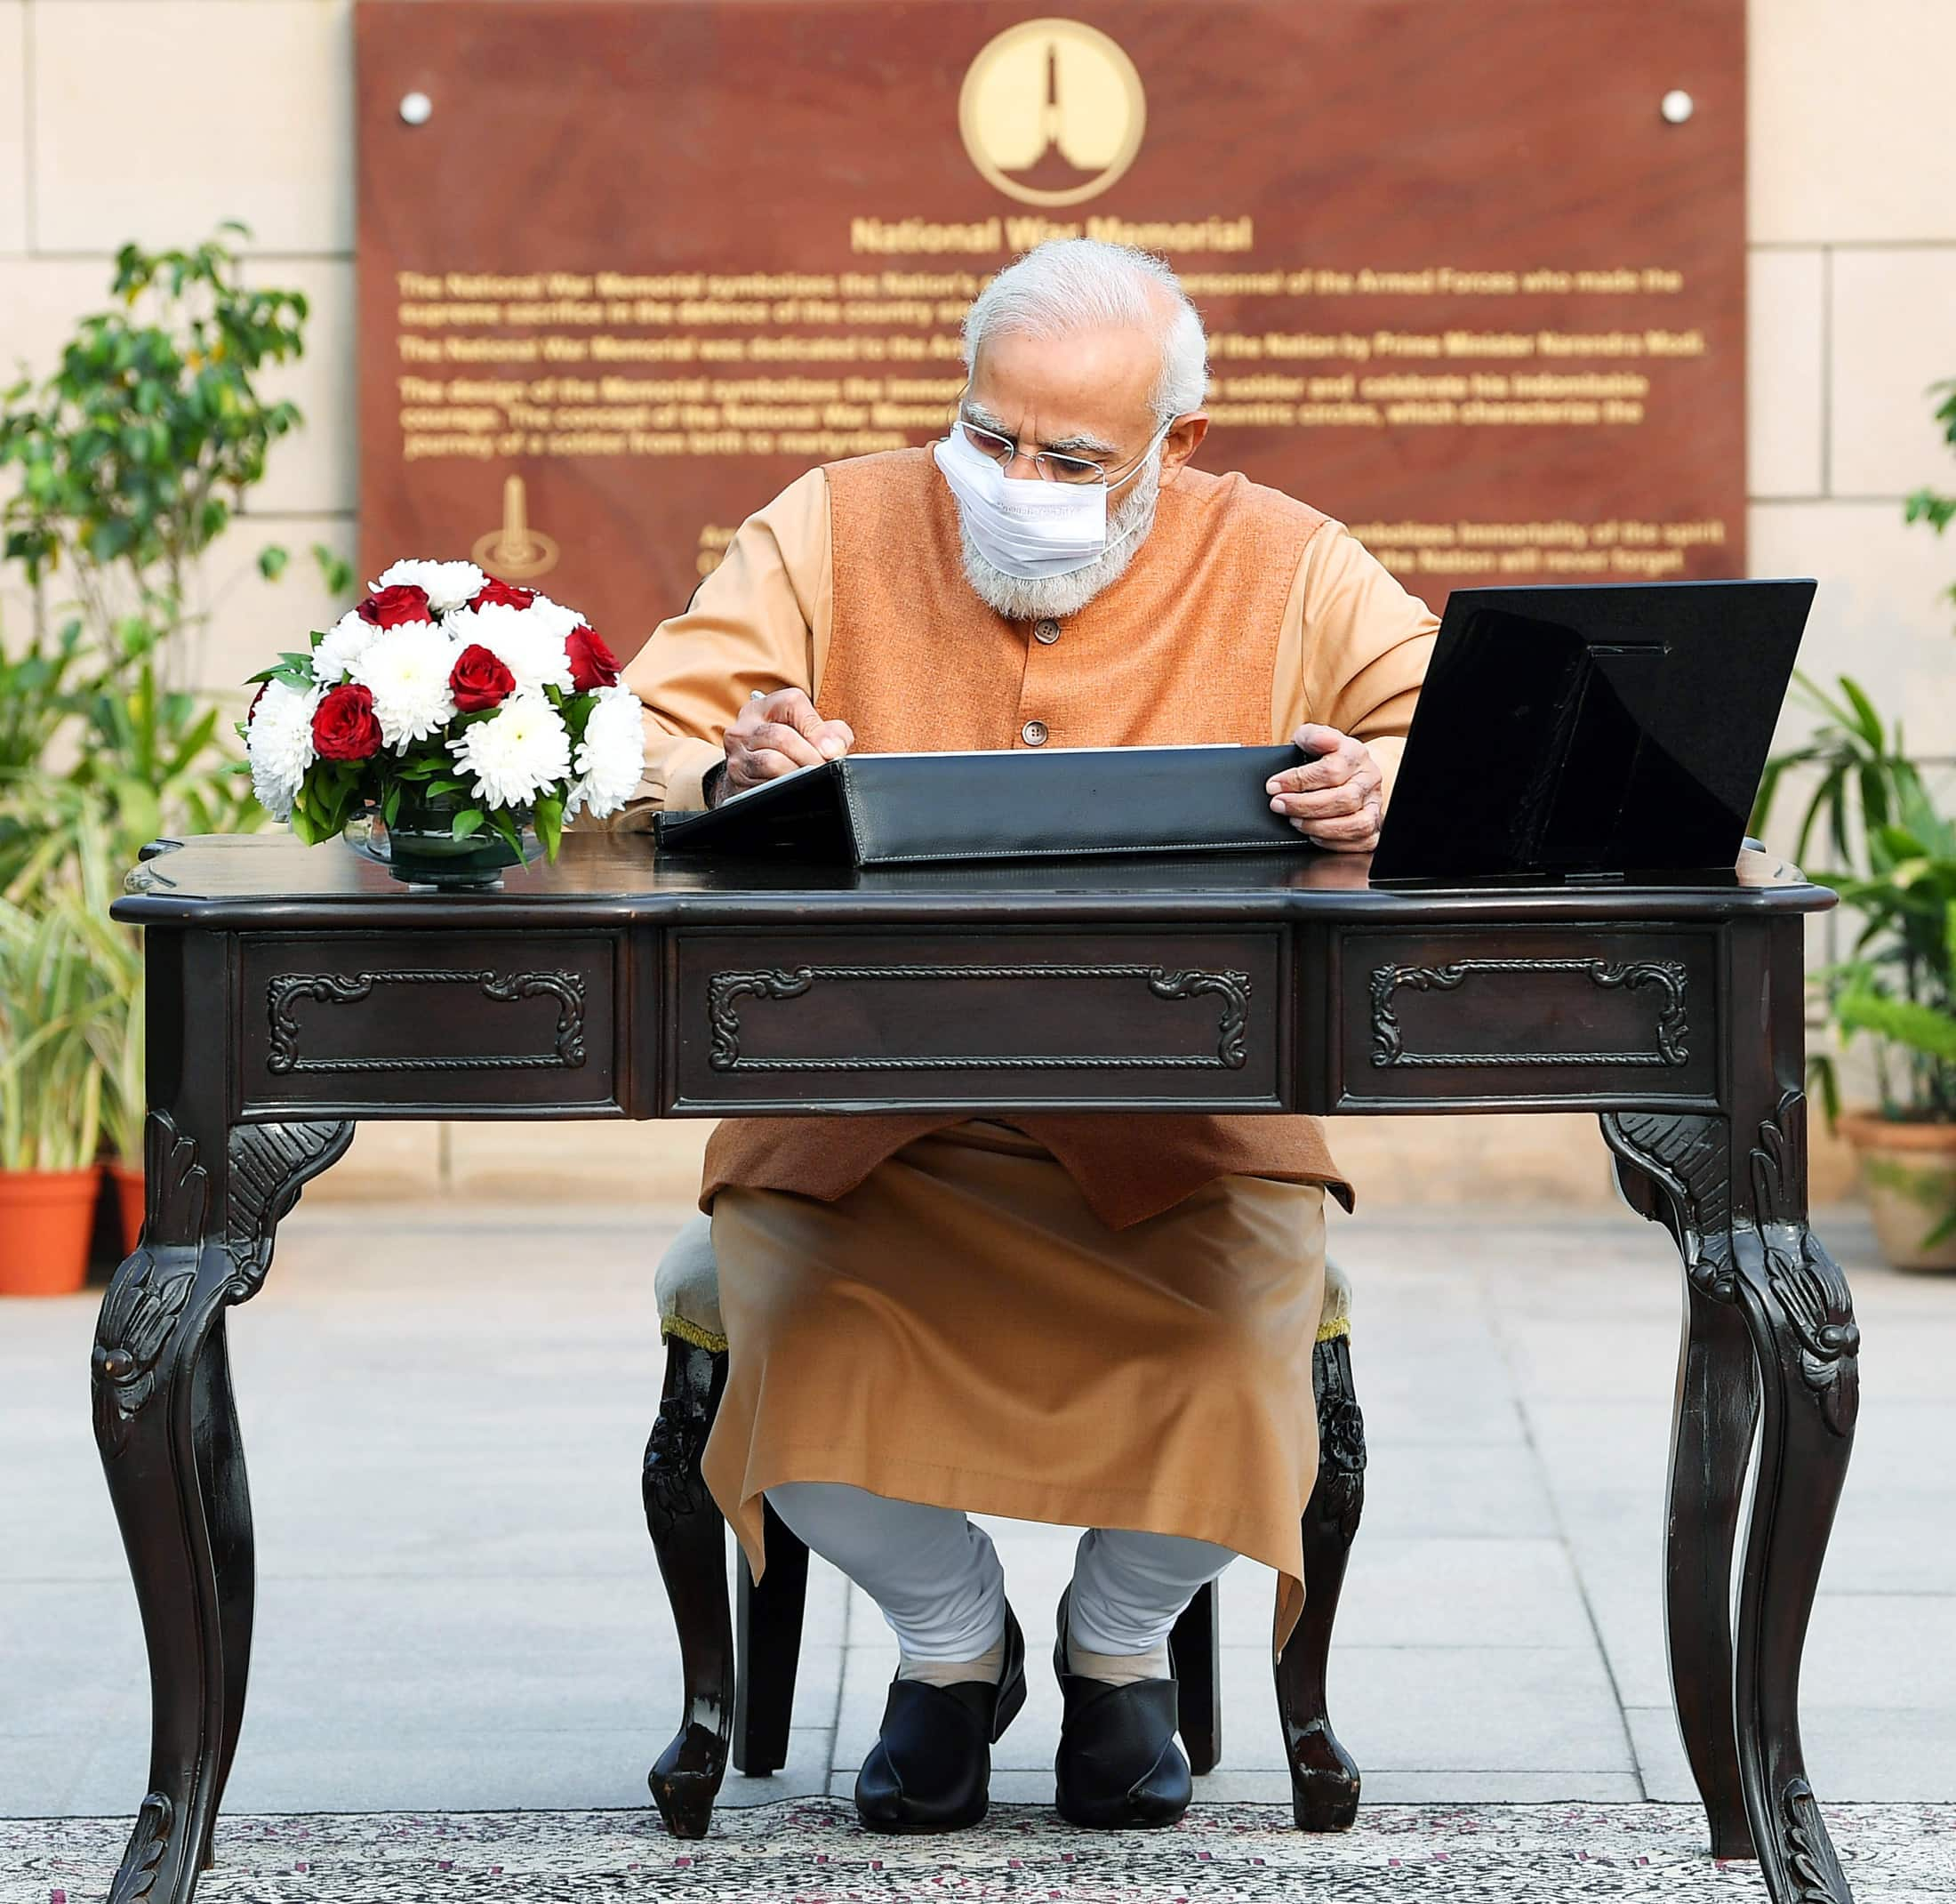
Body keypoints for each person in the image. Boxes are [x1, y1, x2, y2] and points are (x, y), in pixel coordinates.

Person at [622, 239, 1436, 1835]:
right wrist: (735, 765)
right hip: (862, 1115)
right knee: (795, 1327)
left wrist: (1388, 782)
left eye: (1072, 459)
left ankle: (1119, 1648)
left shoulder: (1286, 557)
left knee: (1232, 1345)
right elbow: (650, 719)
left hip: (1186, 1123)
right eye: (990, 438)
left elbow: (1446, 718)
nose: (1017, 481)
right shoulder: (836, 522)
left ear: (1172, 449)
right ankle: (951, 1643)